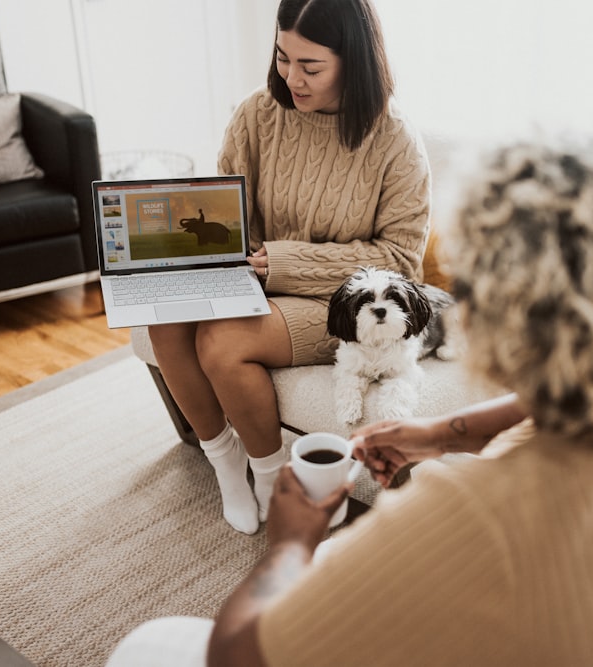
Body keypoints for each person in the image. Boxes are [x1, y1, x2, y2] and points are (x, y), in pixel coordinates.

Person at [107, 135, 593, 666]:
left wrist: (292, 543)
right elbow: (571, 398)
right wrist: (447, 430)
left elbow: (238, 653)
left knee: (149, 646)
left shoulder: (466, 515)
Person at [148, 0, 430, 534]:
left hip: (342, 305)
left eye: (311, 66)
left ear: (354, 60)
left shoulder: (395, 141)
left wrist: (282, 262)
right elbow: (234, 212)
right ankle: (225, 460)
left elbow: (400, 262)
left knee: (222, 344)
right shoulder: (257, 115)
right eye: (282, 58)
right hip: (257, 277)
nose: (291, 78)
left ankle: (273, 477)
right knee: (163, 314)